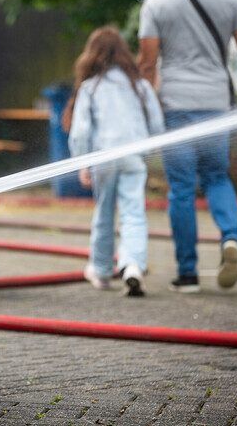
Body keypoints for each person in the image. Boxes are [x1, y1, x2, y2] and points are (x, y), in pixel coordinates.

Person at [137, 0, 237, 292]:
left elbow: (147, 62)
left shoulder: (157, 3)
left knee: (181, 188)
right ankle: (231, 238)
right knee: (217, 177)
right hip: (216, 106)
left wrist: (148, 110)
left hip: (176, 106)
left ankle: (188, 273)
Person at [68, 27, 164, 297]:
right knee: (134, 213)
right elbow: (156, 122)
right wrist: (151, 149)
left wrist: (82, 163)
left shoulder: (91, 87)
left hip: (104, 158)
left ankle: (100, 271)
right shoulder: (140, 85)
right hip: (134, 157)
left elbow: (81, 131)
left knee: (104, 213)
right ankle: (132, 265)